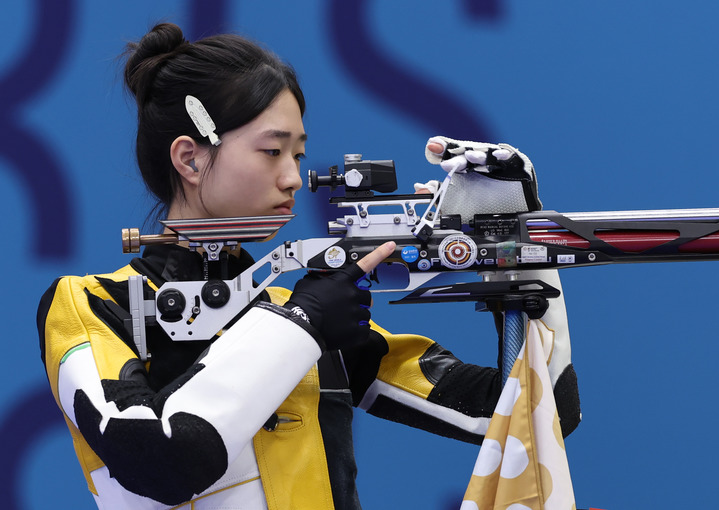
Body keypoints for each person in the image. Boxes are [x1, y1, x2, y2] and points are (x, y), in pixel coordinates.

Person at [37, 22, 580, 510]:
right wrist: (301, 325)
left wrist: (514, 244)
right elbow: (159, 463)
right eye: (272, 151)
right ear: (190, 158)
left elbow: (539, 416)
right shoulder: (89, 305)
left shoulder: (302, 313)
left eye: (298, 154)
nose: (295, 177)